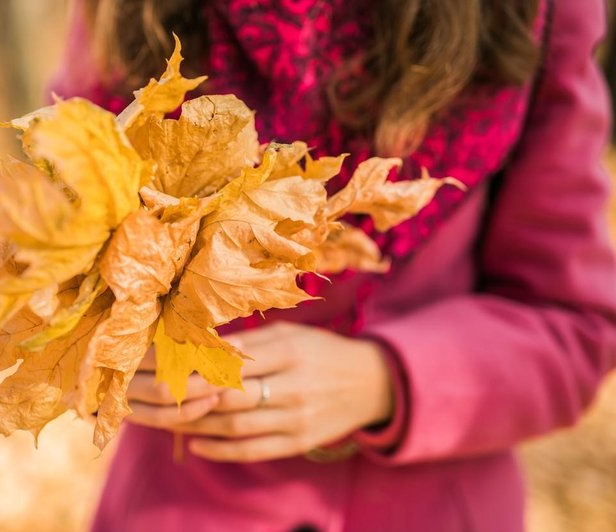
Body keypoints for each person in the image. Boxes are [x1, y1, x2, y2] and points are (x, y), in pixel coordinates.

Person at [50, 1, 616, 530]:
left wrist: (386, 380)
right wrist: (109, 342)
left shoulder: (534, 13)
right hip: (180, 503)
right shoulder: (135, 9)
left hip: (427, 508)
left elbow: (573, 324)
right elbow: (52, 252)